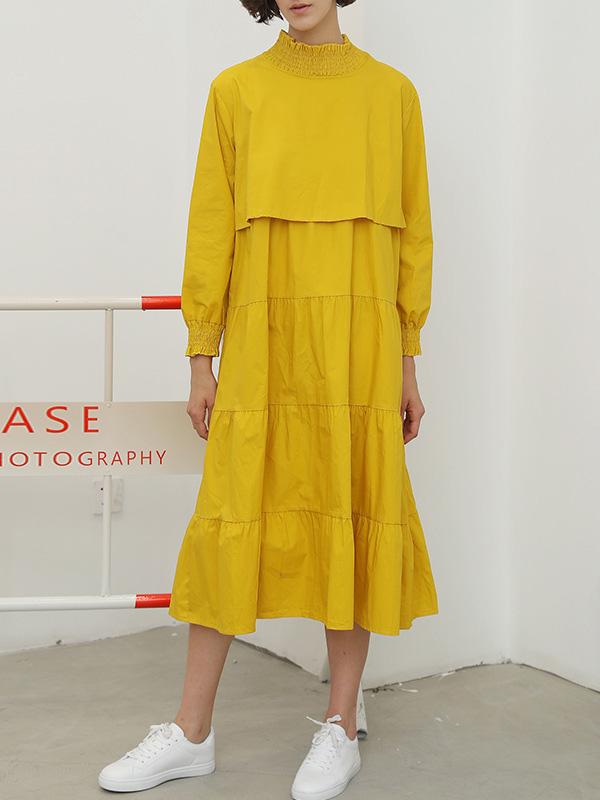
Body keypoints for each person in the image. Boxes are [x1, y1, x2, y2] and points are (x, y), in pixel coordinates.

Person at [98, 1, 438, 797]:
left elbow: (414, 237)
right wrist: (200, 355)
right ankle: (190, 732)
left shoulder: (392, 95)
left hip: (360, 343)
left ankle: (340, 722)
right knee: (231, 513)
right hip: (263, 336)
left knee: (352, 504)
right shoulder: (236, 90)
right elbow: (209, 227)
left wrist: (408, 360)